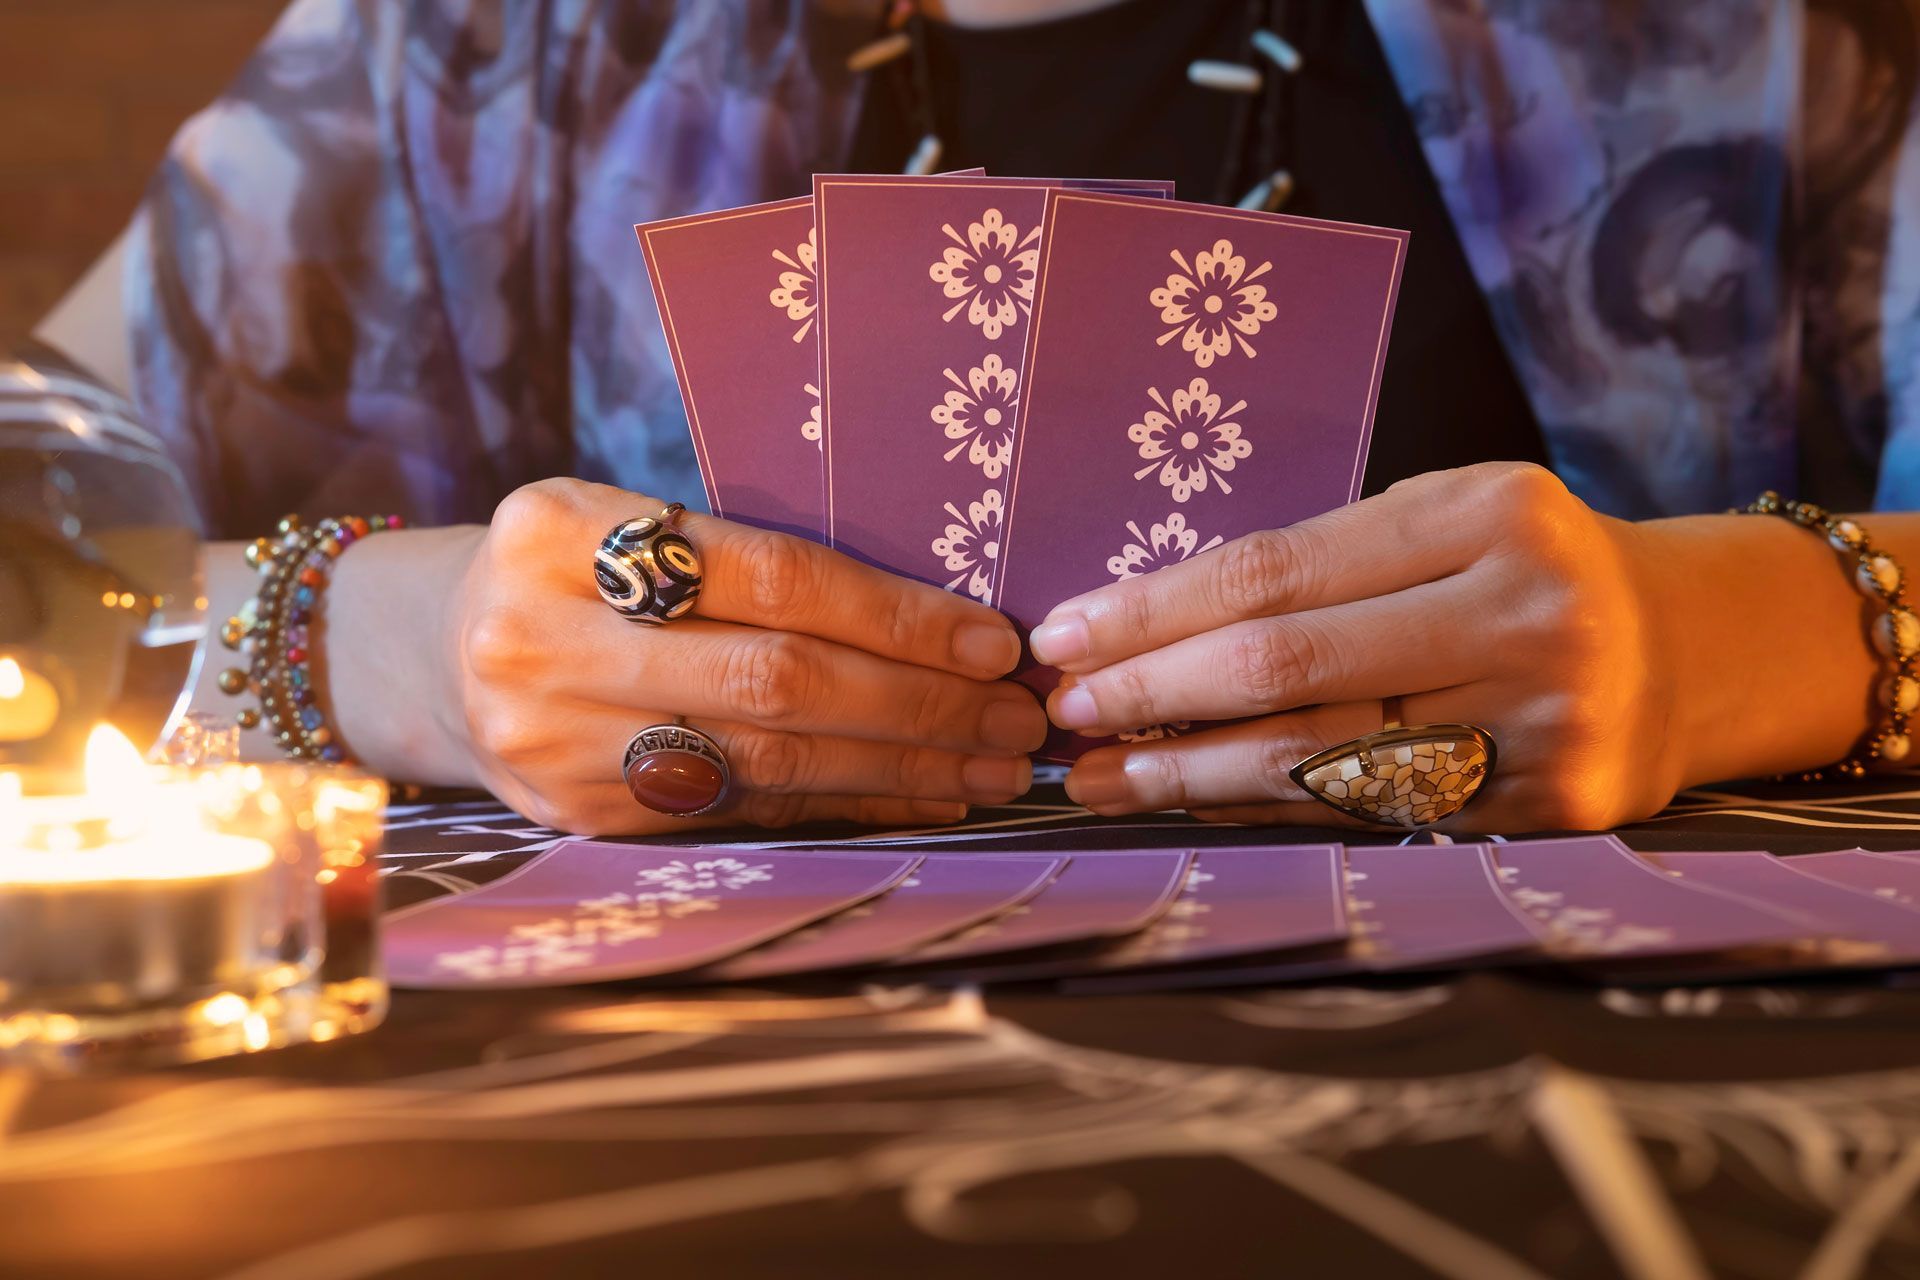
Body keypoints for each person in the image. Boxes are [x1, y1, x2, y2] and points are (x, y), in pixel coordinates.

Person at [27, 0, 1920, 835]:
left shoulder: (1721, 38)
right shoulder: (472, 55)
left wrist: (1744, 633)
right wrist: (398, 642)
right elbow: (35, 521)